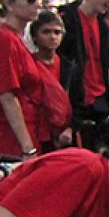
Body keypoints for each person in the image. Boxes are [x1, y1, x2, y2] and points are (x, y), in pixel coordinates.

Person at [0, 0, 48, 159]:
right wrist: (27, 148)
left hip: (24, 130)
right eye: (30, 0)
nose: (38, 5)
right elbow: (7, 96)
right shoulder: (4, 38)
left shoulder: (16, 37)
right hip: (11, 136)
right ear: (9, 4)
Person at [56, 0, 109, 129]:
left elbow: (107, 67)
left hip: (100, 100)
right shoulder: (66, 21)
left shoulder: (104, 27)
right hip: (75, 99)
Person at [27, 9, 75, 151]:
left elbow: (78, 103)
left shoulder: (69, 68)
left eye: (57, 32)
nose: (53, 37)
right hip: (33, 130)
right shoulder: (27, 64)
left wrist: (70, 129)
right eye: (46, 32)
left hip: (61, 136)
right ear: (34, 36)